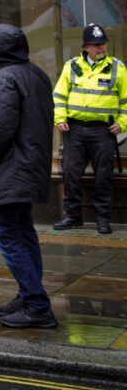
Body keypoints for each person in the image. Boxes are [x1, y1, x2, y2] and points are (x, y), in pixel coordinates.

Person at [0, 24, 57, 328]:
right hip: (30, 167)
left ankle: (37, 305)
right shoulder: (36, 74)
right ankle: (28, 294)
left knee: (10, 237)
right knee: (24, 233)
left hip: (10, 169)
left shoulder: (2, 79)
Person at [52, 23, 125, 235]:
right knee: (71, 173)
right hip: (74, 130)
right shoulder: (71, 67)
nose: (101, 47)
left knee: (103, 175)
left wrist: (122, 123)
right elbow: (59, 96)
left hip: (103, 131)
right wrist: (60, 119)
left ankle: (103, 218)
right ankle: (73, 216)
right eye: (96, 44)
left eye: (103, 43)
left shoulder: (117, 68)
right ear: (86, 47)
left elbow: (126, 101)